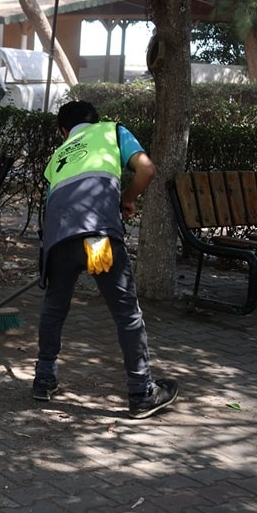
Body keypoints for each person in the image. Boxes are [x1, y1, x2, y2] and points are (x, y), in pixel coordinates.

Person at [33, 100, 178, 419]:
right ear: (95, 121)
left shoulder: (57, 157)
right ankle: (141, 393)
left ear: (63, 131)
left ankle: (44, 380)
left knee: (54, 310)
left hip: (59, 244)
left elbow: (54, 209)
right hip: (96, 241)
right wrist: (126, 200)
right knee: (126, 314)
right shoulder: (112, 132)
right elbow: (146, 169)